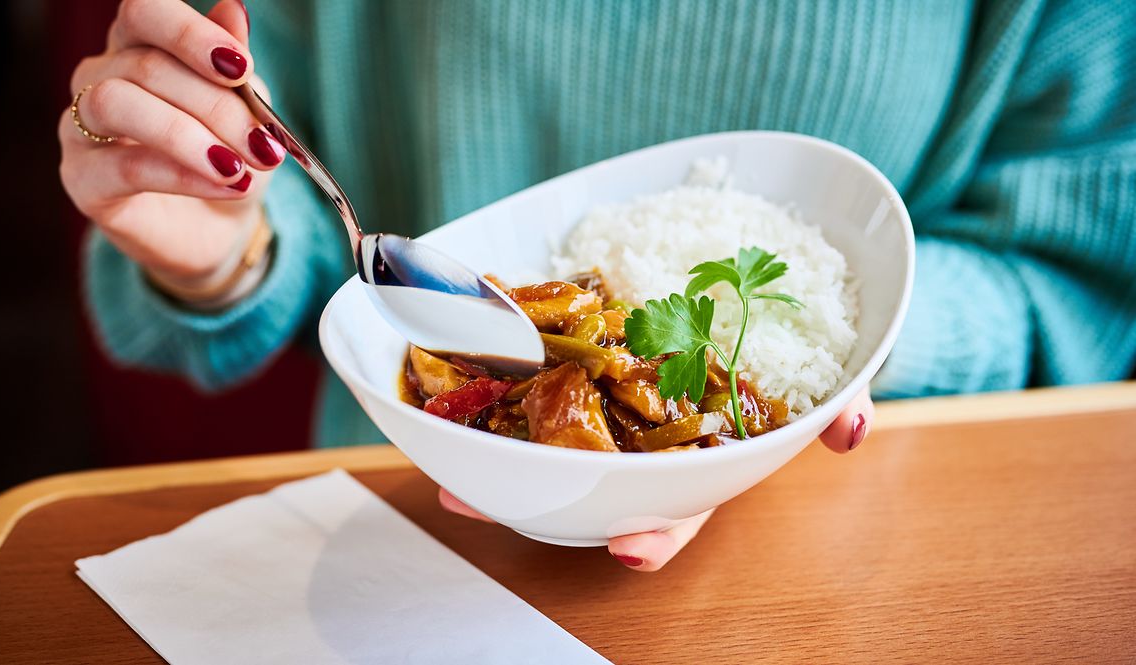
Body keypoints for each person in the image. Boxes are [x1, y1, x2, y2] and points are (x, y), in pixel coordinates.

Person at [59, 0, 1135, 571]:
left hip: (854, 559)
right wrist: (227, 238)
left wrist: (859, 342)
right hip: (396, 533)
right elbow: (284, 174)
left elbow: (1079, 268)